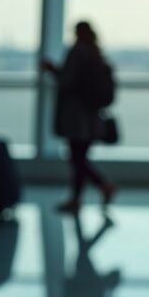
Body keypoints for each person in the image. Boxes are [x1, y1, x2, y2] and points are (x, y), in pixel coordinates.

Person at [42, 21, 116, 214]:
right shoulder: (95, 53)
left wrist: (52, 70)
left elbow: (67, 80)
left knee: (77, 159)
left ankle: (96, 189)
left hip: (76, 117)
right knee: (79, 158)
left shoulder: (77, 53)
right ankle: (85, 194)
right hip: (91, 116)